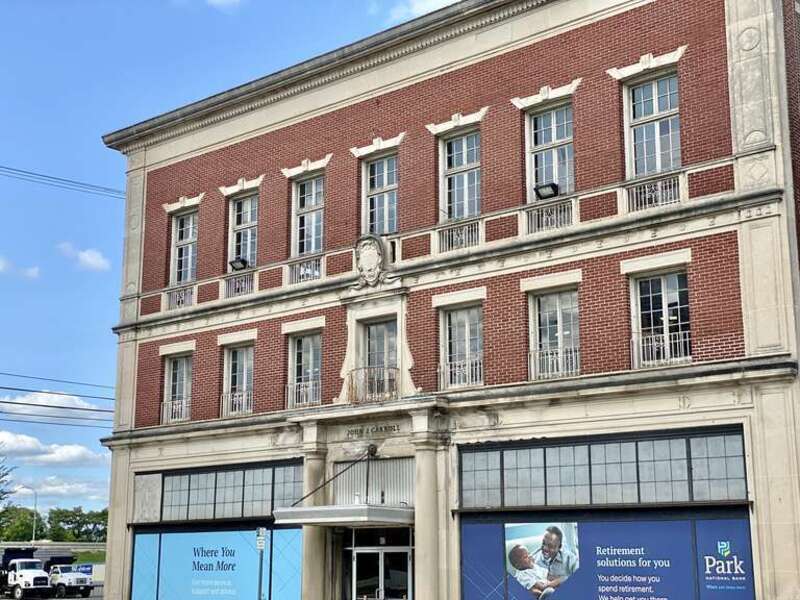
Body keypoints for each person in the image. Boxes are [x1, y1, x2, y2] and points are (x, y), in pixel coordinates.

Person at [508, 526, 578, 598]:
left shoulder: (570, 559)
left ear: (559, 547)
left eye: (550, 546)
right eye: (543, 543)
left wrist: (560, 580)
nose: (545, 548)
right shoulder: (532, 561)